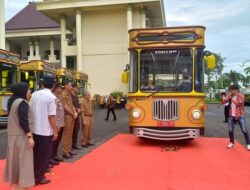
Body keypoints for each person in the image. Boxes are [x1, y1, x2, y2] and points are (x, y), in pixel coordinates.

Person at [3, 83, 35, 190]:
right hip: (21, 137)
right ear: (23, 91)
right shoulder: (22, 103)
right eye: (29, 90)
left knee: (15, 163)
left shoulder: (12, 101)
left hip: (14, 137)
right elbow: (23, 122)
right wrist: (30, 137)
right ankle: (21, 187)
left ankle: (16, 186)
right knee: (23, 163)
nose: (29, 92)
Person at [29, 76, 58, 185]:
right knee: (44, 155)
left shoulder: (35, 94)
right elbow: (51, 117)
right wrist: (55, 131)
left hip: (34, 129)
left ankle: (33, 175)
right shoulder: (51, 97)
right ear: (53, 85)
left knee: (35, 154)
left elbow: (30, 110)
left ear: (42, 84)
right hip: (45, 130)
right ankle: (38, 177)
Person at [222, 84, 250, 150]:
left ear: (236, 90)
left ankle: (248, 144)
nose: (231, 91)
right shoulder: (230, 96)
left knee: (244, 130)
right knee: (230, 130)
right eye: (230, 90)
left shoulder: (241, 95)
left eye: (232, 90)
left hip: (240, 115)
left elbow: (238, 103)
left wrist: (231, 98)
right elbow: (223, 102)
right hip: (231, 115)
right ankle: (231, 142)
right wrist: (224, 97)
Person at [61, 81, 78, 159]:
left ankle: (68, 149)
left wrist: (74, 112)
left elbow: (71, 105)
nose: (71, 87)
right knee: (66, 134)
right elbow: (65, 106)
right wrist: (73, 113)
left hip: (71, 115)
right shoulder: (63, 94)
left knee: (70, 134)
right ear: (66, 85)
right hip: (67, 116)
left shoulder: (69, 94)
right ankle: (65, 152)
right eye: (70, 85)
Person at [51, 83, 65, 163]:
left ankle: (55, 155)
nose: (61, 89)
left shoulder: (58, 97)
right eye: (60, 88)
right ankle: (51, 157)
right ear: (56, 88)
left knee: (57, 141)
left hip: (61, 122)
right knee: (54, 141)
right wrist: (56, 124)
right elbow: (53, 113)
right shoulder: (53, 98)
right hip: (57, 123)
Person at [71, 82, 82, 150]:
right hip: (72, 115)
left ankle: (74, 144)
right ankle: (70, 146)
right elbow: (70, 105)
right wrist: (76, 109)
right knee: (71, 131)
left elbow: (78, 104)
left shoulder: (76, 95)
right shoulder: (70, 95)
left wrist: (79, 109)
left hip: (77, 115)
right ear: (73, 87)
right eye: (77, 88)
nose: (78, 89)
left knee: (76, 129)